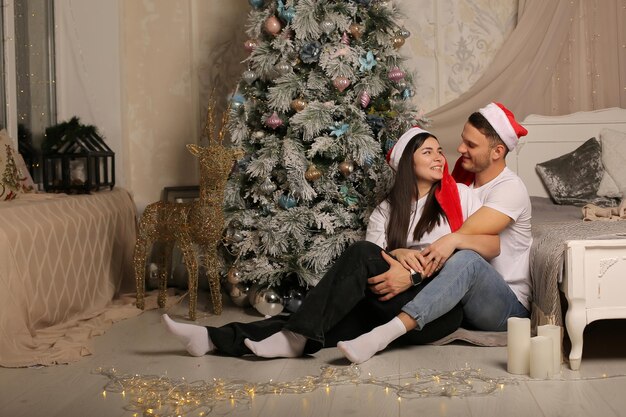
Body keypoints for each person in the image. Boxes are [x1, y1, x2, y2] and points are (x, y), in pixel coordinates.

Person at [162, 128, 498, 358]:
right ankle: (210, 340)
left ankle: (295, 338)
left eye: (440, 150)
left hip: (437, 315)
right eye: (428, 152)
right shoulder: (387, 210)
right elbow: (371, 266)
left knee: (352, 267)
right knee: (319, 320)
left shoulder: (463, 197)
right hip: (387, 301)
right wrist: (396, 255)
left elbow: (484, 247)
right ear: (408, 161)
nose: (440, 157)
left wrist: (412, 273)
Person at [336, 102, 533, 363]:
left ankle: (386, 333)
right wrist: (399, 254)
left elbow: (459, 240)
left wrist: (413, 273)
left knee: (466, 259)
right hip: (458, 300)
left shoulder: (510, 188)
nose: (460, 149)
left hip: (505, 306)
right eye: (463, 141)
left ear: (497, 151)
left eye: (471, 145)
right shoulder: (463, 189)